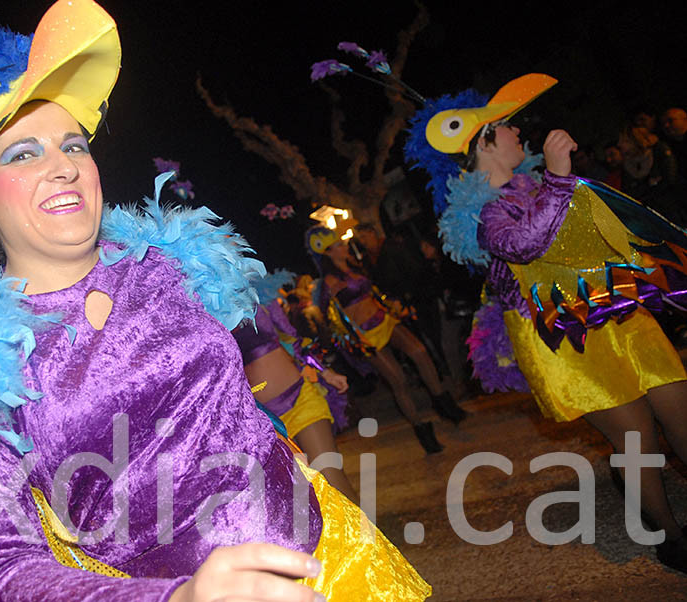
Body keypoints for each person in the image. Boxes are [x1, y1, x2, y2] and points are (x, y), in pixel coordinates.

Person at [0, 2, 431, 601]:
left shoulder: (172, 265)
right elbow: (2, 571)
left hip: (336, 559)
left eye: (73, 144)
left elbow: (237, 413)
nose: (61, 167)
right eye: (23, 153)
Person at [404, 72, 687, 573]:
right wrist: (560, 176)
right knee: (637, 439)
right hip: (565, 335)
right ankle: (670, 536)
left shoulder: (532, 181)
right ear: (485, 142)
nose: (519, 134)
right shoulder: (482, 213)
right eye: (509, 128)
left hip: (617, 312)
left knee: (679, 410)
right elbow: (523, 245)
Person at [305, 226, 467, 455]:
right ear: (328, 253)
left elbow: (374, 292)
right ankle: (423, 431)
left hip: (385, 320)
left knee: (420, 353)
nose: (344, 246)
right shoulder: (329, 282)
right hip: (366, 335)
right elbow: (332, 321)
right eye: (338, 245)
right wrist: (355, 341)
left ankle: (444, 403)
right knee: (398, 382)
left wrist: (391, 304)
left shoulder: (354, 267)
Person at [231, 271, 357, 503]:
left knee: (331, 479)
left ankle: (370, 538)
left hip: (300, 398)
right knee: (305, 498)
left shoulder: (260, 291)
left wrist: (325, 371)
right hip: (262, 420)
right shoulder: (201, 312)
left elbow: (292, 341)